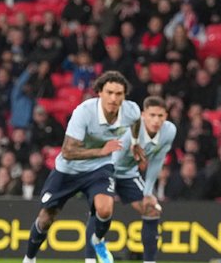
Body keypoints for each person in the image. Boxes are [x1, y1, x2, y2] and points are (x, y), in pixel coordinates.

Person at [22, 71, 141, 263]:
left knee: (104, 209)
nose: (114, 98)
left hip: (100, 168)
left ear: (124, 96)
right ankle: (29, 258)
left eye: (119, 94)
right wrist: (101, 151)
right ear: (99, 93)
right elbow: (68, 151)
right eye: (109, 92)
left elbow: (136, 122)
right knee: (46, 218)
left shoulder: (131, 110)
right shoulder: (84, 112)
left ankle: (98, 241)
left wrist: (134, 143)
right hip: (69, 170)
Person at [91, 96, 175, 263]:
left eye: (160, 116)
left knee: (151, 209)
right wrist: (106, 188)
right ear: (143, 115)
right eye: (152, 115)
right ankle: (96, 244)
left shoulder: (169, 131)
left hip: (128, 174)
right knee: (101, 209)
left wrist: (148, 193)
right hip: (106, 169)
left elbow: (157, 161)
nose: (156, 120)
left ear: (166, 116)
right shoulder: (131, 132)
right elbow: (113, 160)